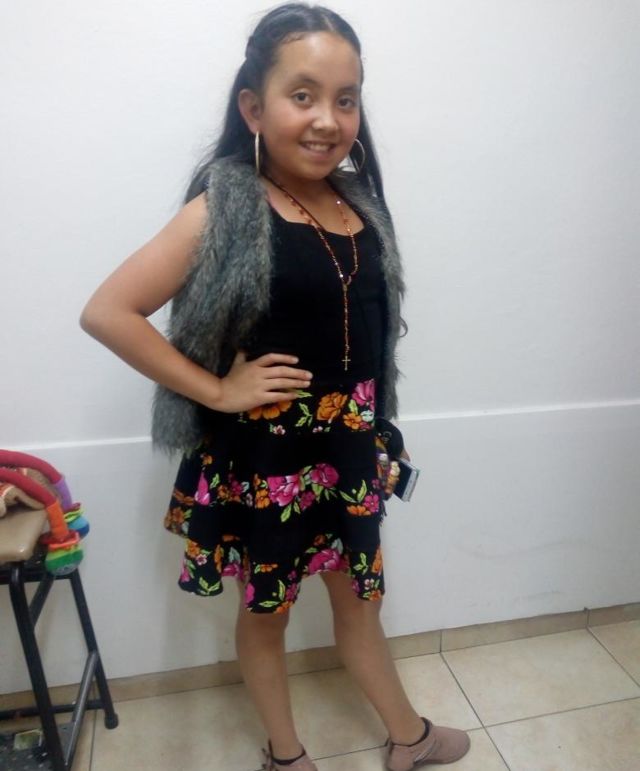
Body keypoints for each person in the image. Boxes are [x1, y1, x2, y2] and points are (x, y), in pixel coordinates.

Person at [80, 4, 471, 769]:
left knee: (362, 598)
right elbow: (107, 312)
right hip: (269, 461)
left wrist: (376, 429)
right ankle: (286, 756)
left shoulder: (358, 203)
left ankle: (408, 736)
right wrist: (217, 389)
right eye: (303, 95)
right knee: (268, 613)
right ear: (253, 108)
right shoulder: (224, 209)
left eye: (346, 98)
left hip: (348, 447)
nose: (328, 119)